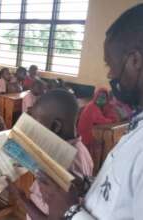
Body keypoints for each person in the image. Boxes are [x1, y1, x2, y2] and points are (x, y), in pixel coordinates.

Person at [7, 3, 143, 220]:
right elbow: (121, 197)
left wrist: (70, 211)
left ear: (135, 61)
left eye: (110, 64)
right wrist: (84, 185)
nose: (110, 74)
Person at [27, 89, 94, 219]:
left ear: (55, 127)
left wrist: (20, 199)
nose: (33, 129)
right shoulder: (81, 150)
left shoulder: (65, 163)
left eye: (36, 124)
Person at [77, 88, 118, 173]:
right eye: (99, 97)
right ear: (95, 97)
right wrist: (111, 119)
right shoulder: (92, 107)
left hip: (91, 132)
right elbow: (102, 120)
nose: (101, 99)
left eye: (104, 97)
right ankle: (94, 169)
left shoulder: (98, 107)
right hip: (86, 135)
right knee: (101, 142)